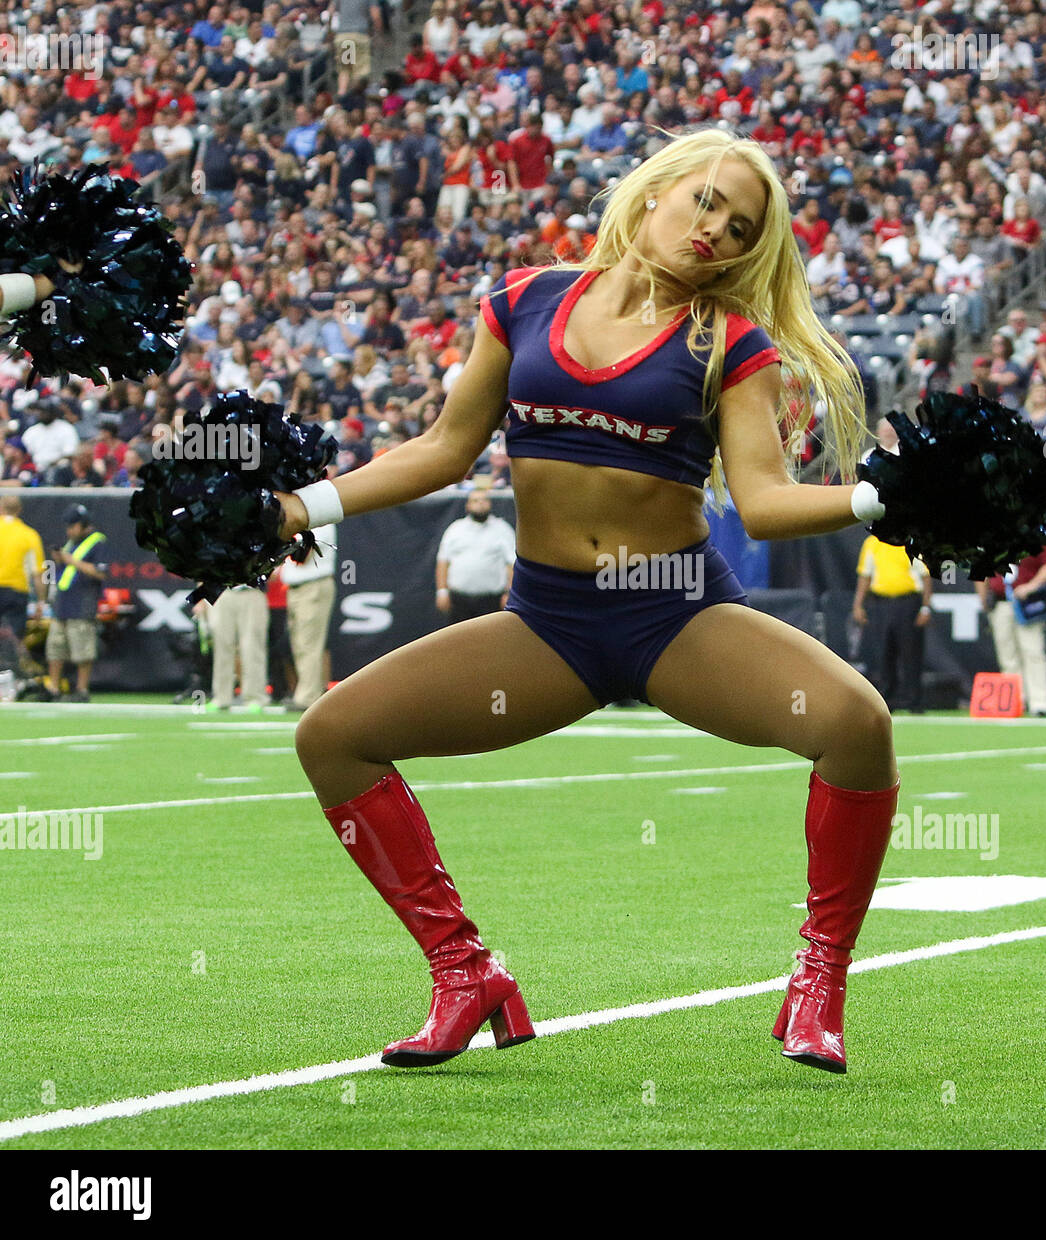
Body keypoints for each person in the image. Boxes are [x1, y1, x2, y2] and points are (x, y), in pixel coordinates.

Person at [274, 128, 898, 1075]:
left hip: (675, 613)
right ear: (654, 191)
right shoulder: (523, 301)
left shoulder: (731, 340)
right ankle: (463, 972)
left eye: (738, 229)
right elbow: (444, 450)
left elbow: (764, 504)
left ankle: (820, 985)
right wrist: (303, 505)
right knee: (330, 735)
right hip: (549, 624)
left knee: (858, 724)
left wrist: (875, 498)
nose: (714, 232)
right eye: (705, 202)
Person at [975, 547, 1046, 717]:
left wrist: (1032, 586)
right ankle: (1014, 701)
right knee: (1007, 655)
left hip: (1026, 603)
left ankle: (1039, 703)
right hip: (1000, 602)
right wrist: (983, 598)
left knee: (1033, 651)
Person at [851, 534, 930, 713]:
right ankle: (887, 699)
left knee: (911, 652)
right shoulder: (873, 543)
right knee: (884, 651)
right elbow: (865, 575)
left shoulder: (911, 542)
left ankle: (913, 701)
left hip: (908, 602)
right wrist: (858, 605)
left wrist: (925, 607)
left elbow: (925, 575)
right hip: (880, 602)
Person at [46, 504, 108, 703]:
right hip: (62, 604)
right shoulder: (70, 544)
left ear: (83, 525)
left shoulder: (98, 543)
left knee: (82, 650)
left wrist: (70, 560)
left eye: (72, 526)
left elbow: (100, 572)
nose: (69, 530)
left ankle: (82, 690)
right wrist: (60, 559)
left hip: (83, 604)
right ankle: (53, 688)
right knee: (55, 648)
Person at [435, 484, 516, 625]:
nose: (480, 504)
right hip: (459, 600)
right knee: (458, 641)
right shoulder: (455, 529)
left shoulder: (502, 529)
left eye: (484, 500)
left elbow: (512, 564)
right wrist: (442, 591)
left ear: (490, 504)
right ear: (467, 505)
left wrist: (510, 593)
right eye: (475, 501)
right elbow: (443, 562)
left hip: (491, 600)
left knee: (489, 640)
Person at [280, 522, 338, 712]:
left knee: (309, 643)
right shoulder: (301, 525)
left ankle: (308, 696)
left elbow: (302, 554)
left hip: (313, 585)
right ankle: (307, 692)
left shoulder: (321, 523)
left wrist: (281, 540)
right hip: (296, 588)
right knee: (299, 643)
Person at [201, 583, 270, 710]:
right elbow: (204, 567)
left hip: (252, 591)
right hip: (220, 592)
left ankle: (255, 698)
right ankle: (220, 698)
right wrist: (200, 597)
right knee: (221, 646)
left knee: (253, 647)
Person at [0, 495, 46, 642]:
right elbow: (38, 574)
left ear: (1, 508)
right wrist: (41, 602)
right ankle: (9, 664)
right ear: (19, 510)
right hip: (16, 593)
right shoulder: (29, 535)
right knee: (12, 641)